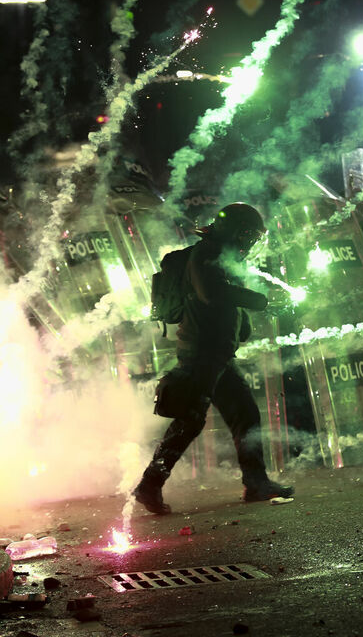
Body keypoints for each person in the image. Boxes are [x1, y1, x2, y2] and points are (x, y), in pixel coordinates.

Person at [133, 203, 293, 515]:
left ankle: (256, 482)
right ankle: (149, 485)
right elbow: (211, 293)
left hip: (215, 354)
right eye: (247, 234)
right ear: (235, 230)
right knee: (190, 420)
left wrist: (242, 323)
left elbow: (223, 299)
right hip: (202, 353)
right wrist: (260, 301)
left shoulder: (219, 255)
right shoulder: (206, 254)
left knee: (244, 414)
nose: (249, 242)